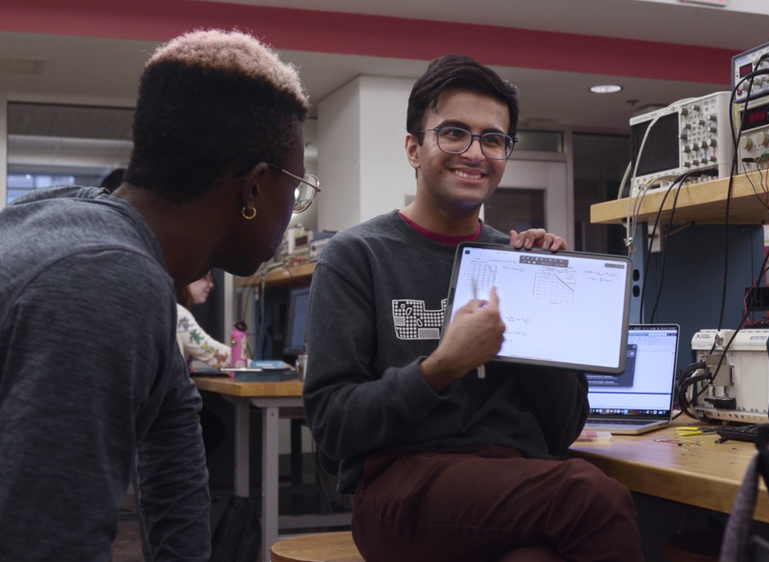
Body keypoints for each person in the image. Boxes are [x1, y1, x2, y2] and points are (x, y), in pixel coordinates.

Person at [302, 54, 642, 562]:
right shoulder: (358, 255)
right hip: (400, 487)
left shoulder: (518, 259)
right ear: (414, 149)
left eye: (493, 139)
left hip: (513, 485)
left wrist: (542, 297)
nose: (475, 152)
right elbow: (332, 428)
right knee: (590, 495)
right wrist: (441, 367)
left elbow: (562, 428)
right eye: (454, 133)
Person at [0, 29, 313, 561]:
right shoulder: (104, 280)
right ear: (255, 188)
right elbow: (44, 543)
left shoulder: (96, 238)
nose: (295, 206)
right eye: (298, 187)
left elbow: (174, 466)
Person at [176, 271, 231, 371]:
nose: (211, 284)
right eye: (205, 278)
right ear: (188, 278)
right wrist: (257, 367)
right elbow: (210, 351)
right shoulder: (178, 314)